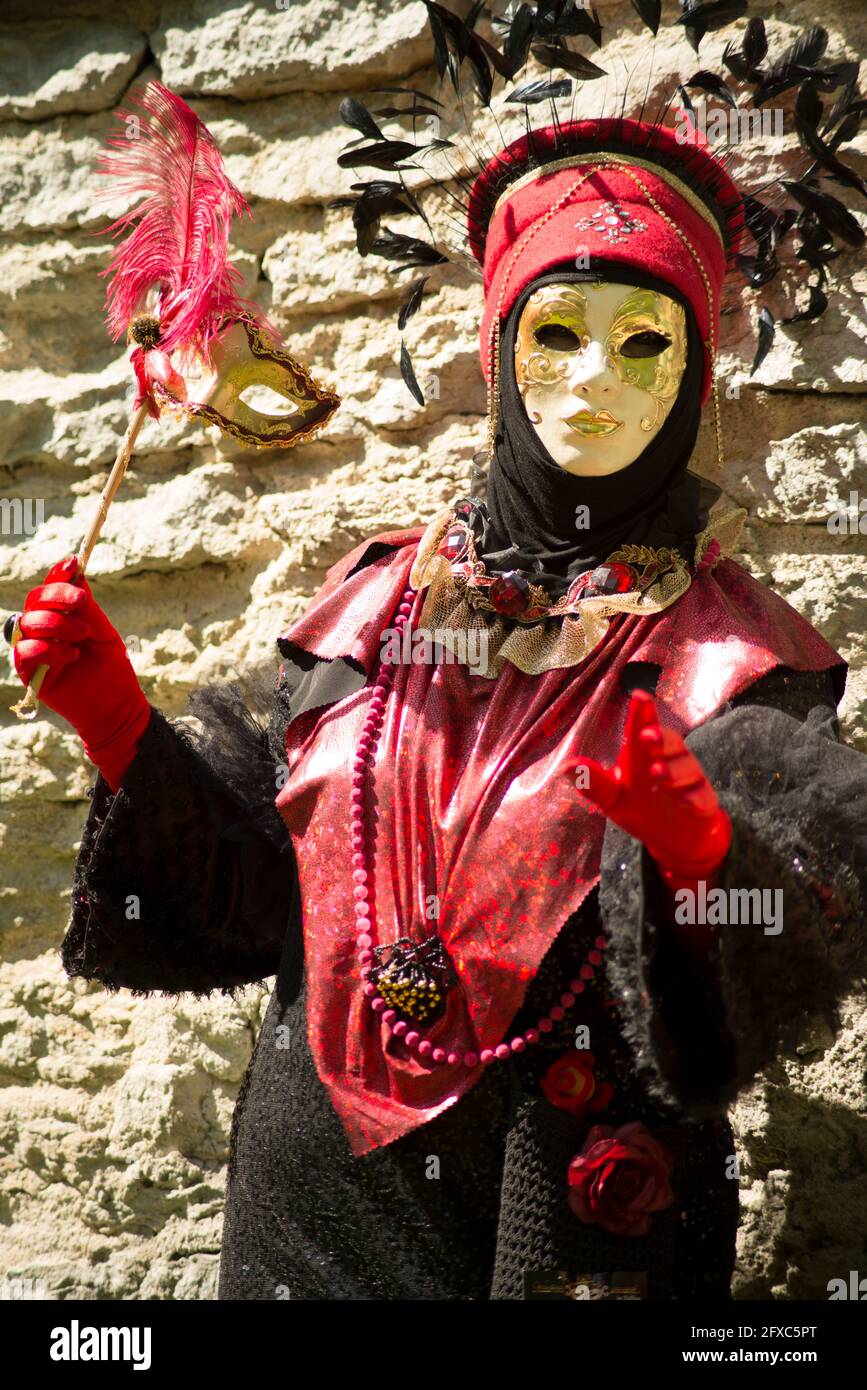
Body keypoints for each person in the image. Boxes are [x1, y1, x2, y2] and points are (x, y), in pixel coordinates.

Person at [9, 115, 865, 1302]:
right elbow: (266, 896)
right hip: (312, 1217)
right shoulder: (369, 608)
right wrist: (118, 726)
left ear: (696, 370)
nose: (594, 383)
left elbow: (804, 945)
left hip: (573, 1225)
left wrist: (711, 861)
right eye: (556, 334)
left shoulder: (744, 662)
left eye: (643, 344)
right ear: (500, 346)